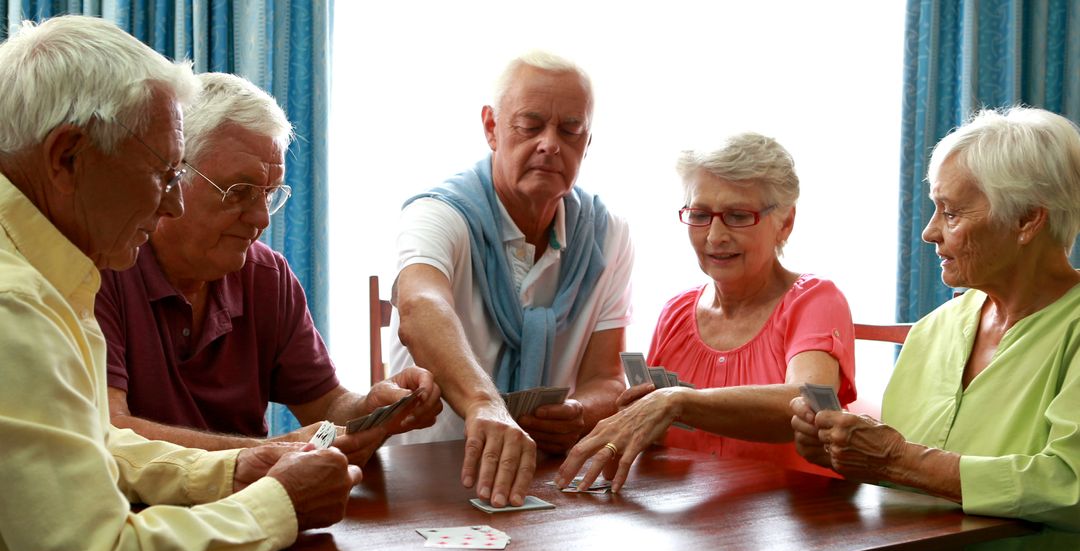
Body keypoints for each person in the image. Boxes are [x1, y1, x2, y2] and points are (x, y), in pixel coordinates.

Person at [0, 15, 359, 551]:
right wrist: (278, 503)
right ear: (67, 157)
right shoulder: (16, 304)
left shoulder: (51, 265)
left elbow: (91, 443)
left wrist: (236, 470)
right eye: (164, 175)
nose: (172, 203)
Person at [95, 72, 441, 466]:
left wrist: (372, 406)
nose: (262, 219)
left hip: (253, 507)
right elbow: (109, 431)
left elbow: (327, 406)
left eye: (270, 194)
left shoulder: (267, 276)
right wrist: (271, 450)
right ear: (172, 177)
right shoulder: (104, 267)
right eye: (238, 192)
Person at [790, 107, 1080, 551]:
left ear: (1027, 220)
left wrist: (894, 460)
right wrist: (838, 453)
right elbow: (902, 481)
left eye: (950, 213)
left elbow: (1069, 485)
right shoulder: (932, 331)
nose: (929, 233)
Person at [389, 50, 634, 507]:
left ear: (587, 141)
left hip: (547, 481)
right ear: (491, 127)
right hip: (426, 476)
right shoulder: (437, 214)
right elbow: (420, 308)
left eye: (569, 129)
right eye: (530, 124)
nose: (549, 144)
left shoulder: (609, 233)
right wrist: (486, 404)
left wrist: (578, 414)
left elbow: (607, 377)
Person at [557, 133, 856, 492]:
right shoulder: (676, 313)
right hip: (690, 526)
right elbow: (658, 438)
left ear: (785, 223)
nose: (714, 236)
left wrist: (677, 401)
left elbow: (804, 403)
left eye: (737, 216)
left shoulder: (815, 300)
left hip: (796, 529)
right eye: (700, 215)